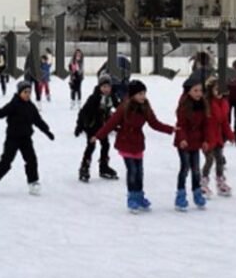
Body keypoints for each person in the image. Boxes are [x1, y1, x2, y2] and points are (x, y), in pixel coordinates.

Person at [92, 79, 174, 213]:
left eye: (144, 93)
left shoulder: (145, 106)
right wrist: (98, 135)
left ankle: (139, 196)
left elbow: (154, 123)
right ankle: (132, 198)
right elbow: (111, 124)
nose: (143, 96)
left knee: (139, 172)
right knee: (132, 171)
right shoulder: (124, 107)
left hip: (138, 143)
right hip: (125, 142)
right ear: (132, 94)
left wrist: (171, 129)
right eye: (140, 93)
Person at [0, 80, 54, 195]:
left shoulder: (31, 106)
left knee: (31, 160)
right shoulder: (13, 105)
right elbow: (0, 113)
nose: (27, 94)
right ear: (19, 92)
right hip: (12, 138)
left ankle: (33, 182)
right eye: (25, 92)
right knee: (6, 160)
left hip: (26, 138)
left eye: (29, 92)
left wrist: (47, 131)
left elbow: (38, 121)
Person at [74, 74, 119, 182]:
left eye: (108, 87)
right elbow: (83, 112)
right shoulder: (93, 98)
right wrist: (79, 126)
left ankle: (103, 167)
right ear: (99, 87)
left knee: (106, 145)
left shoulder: (112, 97)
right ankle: (84, 167)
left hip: (103, 127)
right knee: (91, 146)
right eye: (104, 87)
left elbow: (119, 108)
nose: (106, 89)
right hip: (92, 126)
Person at [174, 78, 209, 212]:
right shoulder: (183, 106)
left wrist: (206, 140)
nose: (199, 93)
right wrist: (182, 139)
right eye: (195, 90)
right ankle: (180, 195)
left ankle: (197, 192)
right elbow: (180, 125)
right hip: (184, 142)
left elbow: (205, 125)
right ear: (188, 91)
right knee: (185, 168)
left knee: (196, 169)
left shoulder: (203, 104)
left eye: (200, 90)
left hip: (196, 142)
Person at [202, 77, 235, 198]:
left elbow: (225, 122)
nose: (220, 92)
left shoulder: (224, 103)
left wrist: (230, 135)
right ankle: (203, 183)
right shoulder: (206, 103)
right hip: (206, 137)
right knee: (209, 160)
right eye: (217, 89)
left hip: (218, 137)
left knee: (220, 160)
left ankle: (220, 183)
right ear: (211, 90)